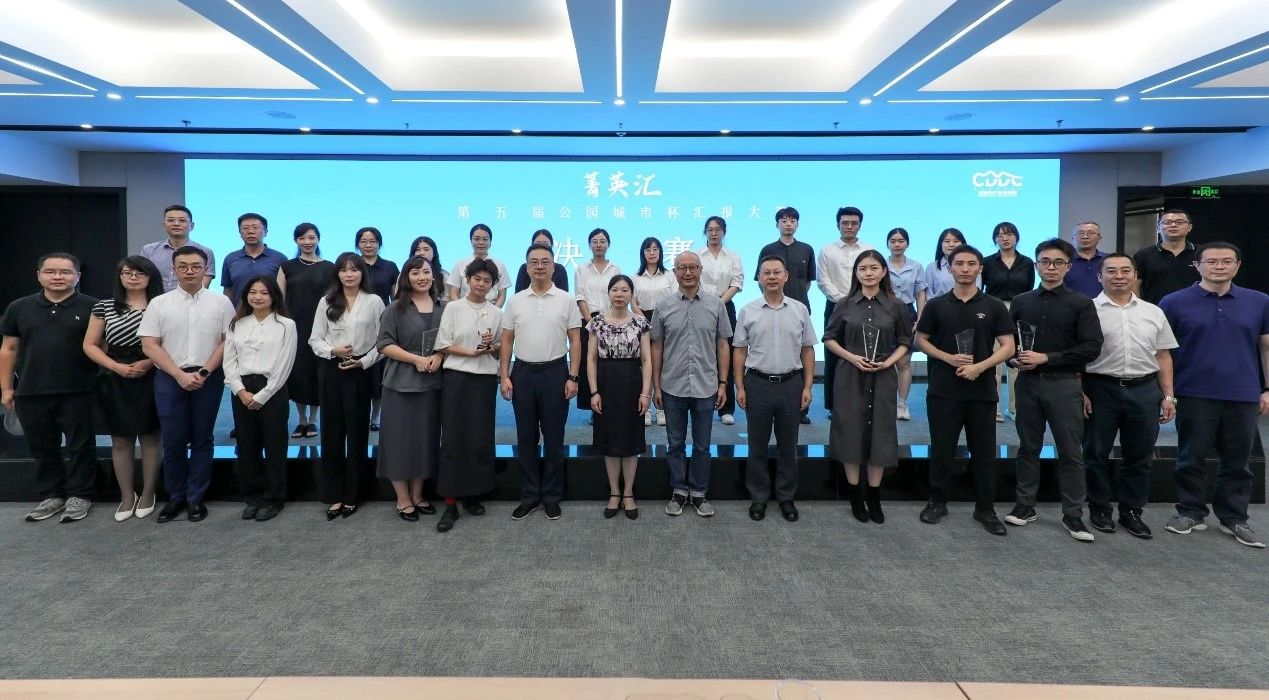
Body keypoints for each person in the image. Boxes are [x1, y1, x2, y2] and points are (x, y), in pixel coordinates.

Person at [1160, 242, 1269, 548]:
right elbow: (1163, 352)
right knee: (1190, 457)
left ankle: (1234, 517)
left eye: (1226, 261)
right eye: (1211, 261)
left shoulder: (1259, 301)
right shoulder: (1173, 302)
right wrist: (1167, 393)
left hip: (1243, 393)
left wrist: (1267, 388)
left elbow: (1266, 346)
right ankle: (1190, 512)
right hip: (1193, 391)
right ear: (1197, 266)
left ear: (1237, 266)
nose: (1219, 266)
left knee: (1238, 460)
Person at [1004, 238, 1103, 542]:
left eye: (1058, 262)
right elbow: (1009, 343)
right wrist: (1013, 359)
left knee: (1070, 451)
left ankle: (1073, 514)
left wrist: (1047, 358)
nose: (1051, 267)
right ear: (1036, 265)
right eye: (1045, 261)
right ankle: (1025, 505)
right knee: (1028, 447)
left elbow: (1091, 347)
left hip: (1064, 384)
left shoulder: (1081, 303)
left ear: (1068, 267)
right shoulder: (1022, 301)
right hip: (1028, 384)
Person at [915, 244, 1015, 536]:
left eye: (972, 264)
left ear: (980, 268)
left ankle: (985, 508)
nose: (965, 269)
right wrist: (947, 358)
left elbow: (1009, 347)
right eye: (959, 264)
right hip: (943, 391)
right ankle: (937, 502)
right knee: (942, 450)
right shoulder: (936, 305)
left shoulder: (994, 306)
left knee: (984, 453)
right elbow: (921, 340)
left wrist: (980, 367)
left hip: (982, 392)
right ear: (950, 268)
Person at [1081, 253, 1177, 539]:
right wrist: (1080, 391)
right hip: (1100, 388)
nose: (1119, 276)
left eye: (1126, 271)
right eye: (1111, 271)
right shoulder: (1086, 310)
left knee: (1140, 455)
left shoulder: (1153, 311)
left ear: (1135, 275)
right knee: (1095, 453)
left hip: (1144, 390)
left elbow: (1163, 355)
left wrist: (1168, 396)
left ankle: (1131, 511)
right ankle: (1099, 508)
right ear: (1099, 276)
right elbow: (1077, 356)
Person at [138, 246, 235, 524]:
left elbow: (227, 341)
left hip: (208, 377)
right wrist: (178, 374)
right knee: (173, 439)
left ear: (205, 270)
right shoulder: (159, 303)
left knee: (203, 437)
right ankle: (176, 496)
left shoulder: (221, 302)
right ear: (173, 269)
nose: (190, 271)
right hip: (170, 378)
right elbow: (149, 344)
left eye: (196, 266)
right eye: (183, 266)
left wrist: (204, 371)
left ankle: (196, 497)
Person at [1, 253, 100, 524]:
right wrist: (6, 388)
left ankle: (80, 495)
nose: (58, 277)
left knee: (81, 446)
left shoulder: (94, 307)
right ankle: (52, 495)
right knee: (42, 446)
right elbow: (9, 348)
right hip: (31, 389)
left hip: (79, 389)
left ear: (77, 276)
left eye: (65, 272)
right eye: (51, 272)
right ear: (39, 275)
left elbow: (101, 347)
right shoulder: (19, 307)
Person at [824, 250, 911, 524]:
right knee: (850, 431)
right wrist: (852, 357)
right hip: (850, 374)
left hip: (883, 375)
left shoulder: (896, 305)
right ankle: (855, 495)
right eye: (862, 268)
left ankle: (874, 496)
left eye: (874, 268)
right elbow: (829, 338)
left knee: (880, 433)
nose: (868, 273)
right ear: (856, 273)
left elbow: (905, 342)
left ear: (884, 271)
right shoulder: (845, 303)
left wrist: (888, 363)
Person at [500, 243, 582, 521]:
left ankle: (552, 496)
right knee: (525, 438)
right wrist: (504, 375)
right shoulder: (515, 300)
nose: (539, 266)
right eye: (534, 262)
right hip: (522, 373)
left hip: (555, 372)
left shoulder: (566, 300)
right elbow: (507, 340)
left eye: (545, 261)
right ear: (526, 267)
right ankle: (529, 496)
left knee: (554, 438)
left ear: (554, 267)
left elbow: (575, 340)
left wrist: (573, 376)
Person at [734, 255, 817, 523]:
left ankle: (786, 497)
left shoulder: (800, 310)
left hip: (791, 385)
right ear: (759, 278)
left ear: (786, 277)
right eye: (766, 272)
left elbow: (807, 349)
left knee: (788, 446)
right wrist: (739, 386)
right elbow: (739, 350)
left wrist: (807, 385)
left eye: (776, 272)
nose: (771, 277)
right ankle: (758, 497)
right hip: (757, 384)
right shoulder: (747, 311)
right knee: (757, 445)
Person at [82, 256, 163, 522]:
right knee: (120, 439)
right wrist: (116, 367)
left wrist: (150, 362)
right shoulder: (104, 306)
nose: (133, 277)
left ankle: (149, 492)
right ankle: (127, 495)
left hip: (153, 372)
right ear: (120, 277)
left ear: (150, 277)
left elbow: (172, 341)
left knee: (151, 437)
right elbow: (90, 345)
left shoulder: (161, 304)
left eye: (140, 273)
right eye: (127, 273)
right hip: (115, 376)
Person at [652, 251, 731, 518]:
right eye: (682, 268)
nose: (688, 272)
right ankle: (678, 490)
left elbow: (723, 344)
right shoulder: (663, 306)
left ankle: (698, 492)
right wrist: (656, 386)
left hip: (706, 384)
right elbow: (657, 346)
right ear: (674, 272)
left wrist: (723, 383)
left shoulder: (716, 305)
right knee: (674, 444)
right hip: (672, 385)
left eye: (693, 267)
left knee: (702, 445)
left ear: (700, 270)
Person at [309, 253, 385, 520]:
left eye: (354, 270)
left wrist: (364, 362)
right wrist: (334, 351)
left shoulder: (374, 301)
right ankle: (334, 494)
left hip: (360, 370)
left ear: (363, 273)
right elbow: (315, 339)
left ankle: (353, 494)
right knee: (331, 433)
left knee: (357, 433)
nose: (349, 274)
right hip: (332, 369)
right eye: (344, 270)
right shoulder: (327, 301)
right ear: (337, 274)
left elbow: (383, 342)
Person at [434, 258, 504, 532]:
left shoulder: (496, 312)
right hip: (457, 377)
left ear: (493, 285)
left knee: (479, 437)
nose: (481, 284)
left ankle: (473, 494)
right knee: (453, 438)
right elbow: (443, 343)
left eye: (487, 281)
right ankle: (450, 502)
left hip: (484, 380)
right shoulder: (453, 307)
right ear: (468, 280)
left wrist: (492, 346)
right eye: (477, 279)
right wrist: (471, 352)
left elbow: (500, 348)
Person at [375, 256, 446, 522]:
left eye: (426, 272)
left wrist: (439, 356)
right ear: (406, 277)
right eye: (415, 273)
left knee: (424, 440)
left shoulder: (443, 307)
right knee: (399, 441)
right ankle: (402, 499)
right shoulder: (394, 308)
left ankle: (417, 494)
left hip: (433, 383)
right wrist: (416, 359)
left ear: (433, 275)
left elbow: (449, 340)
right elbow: (384, 344)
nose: (421, 277)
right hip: (400, 383)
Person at [223, 276, 296, 522]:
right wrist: (240, 390)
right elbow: (229, 362)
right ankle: (252, 497)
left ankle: (274, 498)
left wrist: (264, 394)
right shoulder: (237, 324)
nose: (258, 297)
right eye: (253, 292)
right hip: (242, 390)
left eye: (264, 292)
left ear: (274, 296)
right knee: (247, 445)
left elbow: (285, 365)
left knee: (275, 445)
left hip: (273, 389)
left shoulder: (286, 325)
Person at [587, 275, 652, 520]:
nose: (619, 294)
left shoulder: (640, 322)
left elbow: (647, 359)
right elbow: (591, 359)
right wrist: (594, 391)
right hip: (605, 383)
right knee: (610, 441)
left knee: (631, 441)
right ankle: (614, 492)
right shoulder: (596, 322)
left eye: (625, 290)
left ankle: (628, 493)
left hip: (632, 383)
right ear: (608, 293)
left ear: (631, 295)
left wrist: (645, 392)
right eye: (615, 289)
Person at [754, 207, 815, 425]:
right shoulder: (767, 249)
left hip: (799, 308)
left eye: (792, 220)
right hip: (770, 309)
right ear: (777, 224)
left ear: (797, 224)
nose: (788, 224)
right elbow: (761, 280)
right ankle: (771, 406)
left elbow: (808, 281)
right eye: (784, 220)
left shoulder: (807, 249)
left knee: (800, 355)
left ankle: (801, 409)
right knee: (774, 354)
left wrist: (795, 301)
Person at [277, 223, 334, 439]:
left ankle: (313, 420)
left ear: (318, 239)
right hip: (294, 326)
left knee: (317, 372)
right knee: (298, 373)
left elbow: (333, 298)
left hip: (321, 326)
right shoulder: (286, 266)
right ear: (296, 241)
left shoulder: (329, 267)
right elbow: (279, 298)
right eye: (302, 238)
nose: (307, 242)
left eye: (311, 237)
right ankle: (301, 420)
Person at [817, 206, 874, 416]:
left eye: (854, 223)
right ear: (838, 225)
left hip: (865, 305)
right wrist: (843, 301)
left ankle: (861, 402)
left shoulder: (868, 249)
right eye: (845, 223)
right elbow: (822, 280)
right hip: (835, 306)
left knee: (862, 352)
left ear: (860, 225)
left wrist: (858, 299)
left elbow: (872, 276)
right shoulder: (827, 250)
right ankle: (833, 406)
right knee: (833, 355)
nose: (849, 227)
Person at [981, 221, 1034, 421]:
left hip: (1020, 311)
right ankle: (993, 408)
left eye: (1009, 234)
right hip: (994, 311)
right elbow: (982, 289)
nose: (1005, 238)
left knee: (1017, 361)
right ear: (995, 239)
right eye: (1000, 235)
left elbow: (1029, 289)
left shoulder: (1027, 262)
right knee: (994, 361)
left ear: (1016, 237)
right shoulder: (987, 262)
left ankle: (1014, 408)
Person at [696, 216, 743, 426]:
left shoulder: (732, 256)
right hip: (700, 305)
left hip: (726, 305)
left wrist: (719, 302)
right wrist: (708, 303)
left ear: (724, 232)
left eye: (717, 229)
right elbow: (692, 279)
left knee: (727, 354)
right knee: (702, 353)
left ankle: (726, 408)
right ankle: (702, 404)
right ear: (705, 232)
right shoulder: (697, 255)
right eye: (710, 229)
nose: (713, 233)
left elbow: (737, 283)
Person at [355, 226, 398, 432]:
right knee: (360, 370)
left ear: (379, 244)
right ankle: (360, 413)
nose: (368, 245)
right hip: (356, 323)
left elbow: (395, 297)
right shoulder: (352, 265)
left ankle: (376, 415)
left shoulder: (389, 267)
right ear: (358, 244)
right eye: (363, 241)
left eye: (372, 241)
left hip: (383, 324)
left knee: (378, 372)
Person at [574, 228, 621, 415]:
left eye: (602, 241)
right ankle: (593, 407)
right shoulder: (581, 269)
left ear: (608, 244)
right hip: (589, 321)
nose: (599, 245)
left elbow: (619, 293)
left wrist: (610, 321)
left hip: (612, 320)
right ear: (589, 245)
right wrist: (591, 322)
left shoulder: (615, 268)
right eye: (595, 241)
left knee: (609, 364)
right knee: (590, 362)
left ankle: (610, 404)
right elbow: (580, 296)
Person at [632, 237, 674, 427]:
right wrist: (645, 321)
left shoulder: (669, 275)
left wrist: (661, 319)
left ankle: (662, 408)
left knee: (663, 365)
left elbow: (675, 298)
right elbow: (633, 303)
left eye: (655, 249)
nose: (652, 253)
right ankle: (647, 408)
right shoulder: (636, 277)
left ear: (660, 253)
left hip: (666, 320)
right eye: (648, 249)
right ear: (643, 253)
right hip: (642, 321)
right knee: (645, 364)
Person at [885, 228, 926, 421]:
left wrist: (920, 319)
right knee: (884, 361)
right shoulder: (881, 264)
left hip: (908, 314)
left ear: (907, 244)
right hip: (884, 313)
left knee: (903, 362)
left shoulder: (916, 266)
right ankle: (885, 403)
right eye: (893, 241)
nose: (897, 244)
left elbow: (920, 294)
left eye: (901, 241)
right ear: (887, 244)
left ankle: (902, 403)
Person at [139, 204, 215, 292]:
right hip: (155, 299)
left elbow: (203, 285)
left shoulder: (205, 252)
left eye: (182, 220)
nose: (176, 224)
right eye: (171, 220)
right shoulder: (148, 250)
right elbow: (141, 278)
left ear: (192, 226)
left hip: (190, 299)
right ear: (164, 225)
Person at [1133, 209, 1199, 305]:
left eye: (1180, 222)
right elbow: (1135, 285)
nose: (1173, 225)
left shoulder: (1202, 253)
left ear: (1189, 227)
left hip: (1195, 308)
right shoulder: (1143, 255)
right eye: (1167, 222)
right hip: (1155, 309)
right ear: (1158, 228)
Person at [221, 212, 287, 304]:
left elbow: (285, 290)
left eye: (255, 227)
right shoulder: (230, 258)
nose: (250, 231)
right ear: (240, 233)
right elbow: (228, 290)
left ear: (266, 232)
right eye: (245, 228)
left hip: (270, 312)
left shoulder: (280, 259)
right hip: (238, 312)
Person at [449, 223, 511, 306]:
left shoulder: (500, 265)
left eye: (485, 239)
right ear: (471, 241)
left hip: (490, 309)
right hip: (464, 308)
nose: (481, 242)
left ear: (490, 242)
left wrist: (494, 311)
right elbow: (453, 293)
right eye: (477, 239)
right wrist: (462, 309)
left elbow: (502, 295)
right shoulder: (459, 264)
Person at [922, 227, 971, 298]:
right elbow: (928, 295)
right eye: (947, 241)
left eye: (956, 241)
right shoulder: (932, 267)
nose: (951, 244)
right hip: (938, 304)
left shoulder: (972, 265)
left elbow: (976, 289)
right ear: (941, 244)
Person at [1064, 221, 1106, 298]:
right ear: (1073, 238)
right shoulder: (1064, 260)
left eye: (1091, 233)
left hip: (1103, 305)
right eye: (1080, 233)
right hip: (1071, 305)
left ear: (1099, 238)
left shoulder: (1108, 260)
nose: (1085, 236)